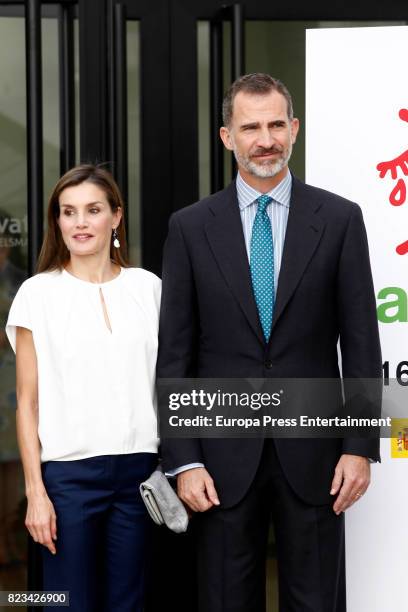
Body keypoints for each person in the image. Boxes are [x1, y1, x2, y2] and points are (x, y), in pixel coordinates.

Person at [157, 74, 382, 611]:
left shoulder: (340, 219)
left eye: (276, 124)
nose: (266, 139)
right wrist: (184, 460)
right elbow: (176, 353)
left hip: (317, 459)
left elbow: (361, 343)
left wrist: (359, 448)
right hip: (219, 462)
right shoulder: (190, 228)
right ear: (227, 137)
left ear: (294, 128)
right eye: (250, 126)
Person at [5, 165, 161, 611]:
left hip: (139, 475)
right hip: (69, 479)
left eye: (92, 210)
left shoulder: (148, 288)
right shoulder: (38, 294)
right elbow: (27, 403)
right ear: (57, 221)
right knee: (67, 604)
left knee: (128, 603)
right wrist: (36, 493)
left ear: (115, 216)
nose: (79, 222)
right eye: (68, 212)